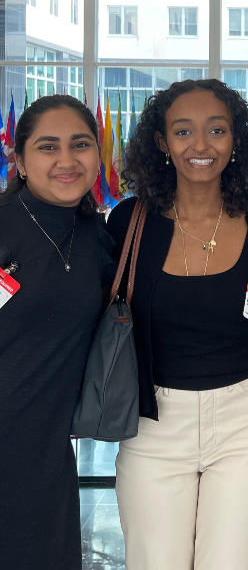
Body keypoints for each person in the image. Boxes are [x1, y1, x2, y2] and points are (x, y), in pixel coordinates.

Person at [106, 78, 248, 570]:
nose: (200, 145)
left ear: (235, 140)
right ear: (161, 141)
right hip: (152, 424)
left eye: (217, 130)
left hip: (245, 420)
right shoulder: (129, 221)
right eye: (183, 131)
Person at [0, 95, 115, 570]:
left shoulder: (102, 238)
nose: (67, 160)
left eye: (80, 144)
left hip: (45, 454)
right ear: (20, 160)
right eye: (48, 146)